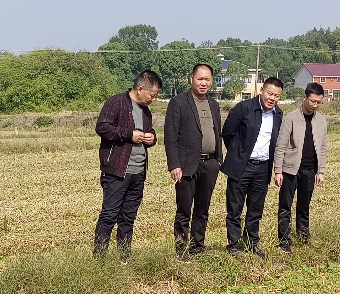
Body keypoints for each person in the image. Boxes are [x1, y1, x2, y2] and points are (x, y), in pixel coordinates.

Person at [93, 70, 161, 260]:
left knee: (128, 217)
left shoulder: (145, 111)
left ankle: (124, 256)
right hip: (117, 171)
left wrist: (152, 138)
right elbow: (102, 127)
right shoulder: (116, 103)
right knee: (109, 215)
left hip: (139, 172)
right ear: (140, 89)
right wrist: (129, 134)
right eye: (152, 95)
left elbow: (150, 132)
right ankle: (99, 260)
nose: (153, 100)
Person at [163, 63, 223, 256]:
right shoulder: (178, 103)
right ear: (191, 79)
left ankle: (198, 246)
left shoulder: (213, 104)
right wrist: (174, 164)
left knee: (203, 209)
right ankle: (181, 249)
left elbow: (217, 133)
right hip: (187, 165)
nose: (204, 83)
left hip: (210, 164)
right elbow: (170, 136)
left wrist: (218, 160)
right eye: (200, 79)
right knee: (184, 209)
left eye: (207, 79)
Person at [220, 76, 284, 257]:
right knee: (235, 208)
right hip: (241, 166)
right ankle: (233, 244)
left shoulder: (278, 115)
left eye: (277, 96)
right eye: (270, 93)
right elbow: (227, 133)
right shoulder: (244, 108)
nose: (272, 98)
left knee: (256, 208)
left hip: (263, 168)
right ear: (262, 90)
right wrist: (239, 153)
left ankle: (251, 242)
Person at [272, 82, 328, 252]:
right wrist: (278, 170)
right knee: (285, 206)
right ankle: (284, 241)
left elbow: (323, 146)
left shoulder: (322, 121)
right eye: (312, 101)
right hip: (290, 170)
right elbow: (280, 145)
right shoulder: (290, 118)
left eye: (318, 102)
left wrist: (321, 170)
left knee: (304, 206)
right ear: (304, 97)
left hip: (310, 170)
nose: (315, 105)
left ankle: (303, 238)